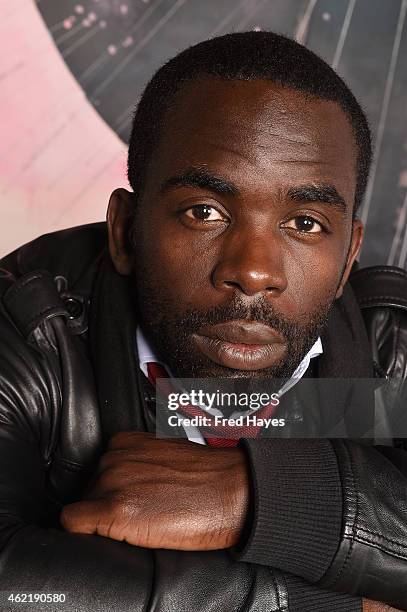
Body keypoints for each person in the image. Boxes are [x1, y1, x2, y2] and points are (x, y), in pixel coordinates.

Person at [0, 31, 406, 612]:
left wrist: (265, 502)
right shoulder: (28, 327)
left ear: (348, 258)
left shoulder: (392, 351)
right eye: (204, 212)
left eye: (306, 224)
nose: (253, 272)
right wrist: (322, 606)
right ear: (124, 231)